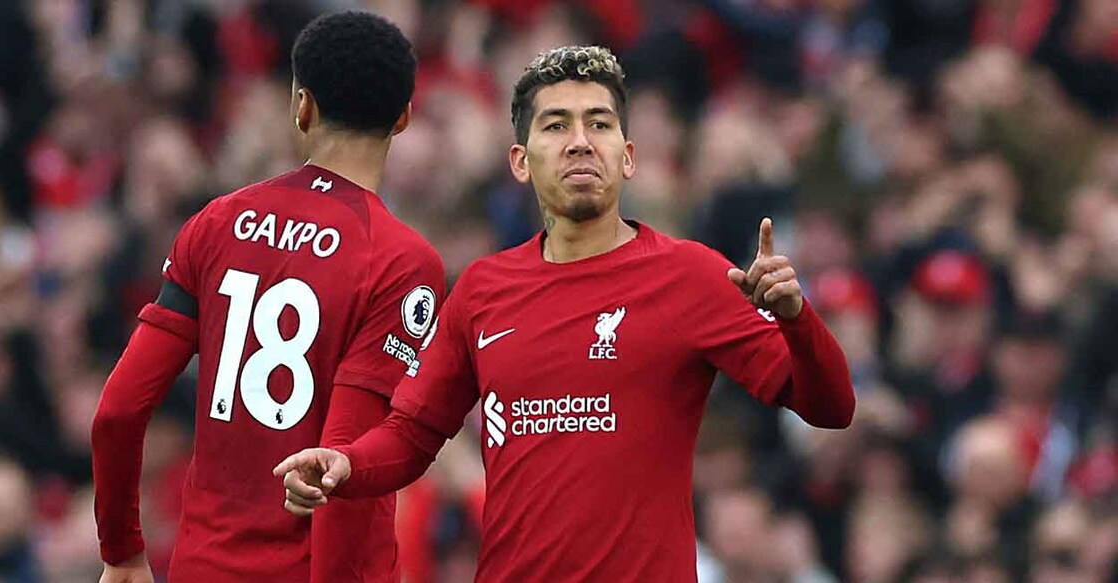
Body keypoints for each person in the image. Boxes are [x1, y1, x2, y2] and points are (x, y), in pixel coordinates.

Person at [274, 45, 855, 582]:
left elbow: (830, 407)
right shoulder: (483, 289)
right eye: (557, 125)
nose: (581, 141)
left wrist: (797, 321)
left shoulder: (692, 276)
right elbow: (411, 436)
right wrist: (345, 465)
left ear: (627, 157)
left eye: (599, 124)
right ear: (521, 162)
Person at [91, 11, 444, 583]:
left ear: (302, 106)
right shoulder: (401, 262)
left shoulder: (216, 222)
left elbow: (118, 410)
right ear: (403, 117)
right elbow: (341, 468)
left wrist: (122, 551)